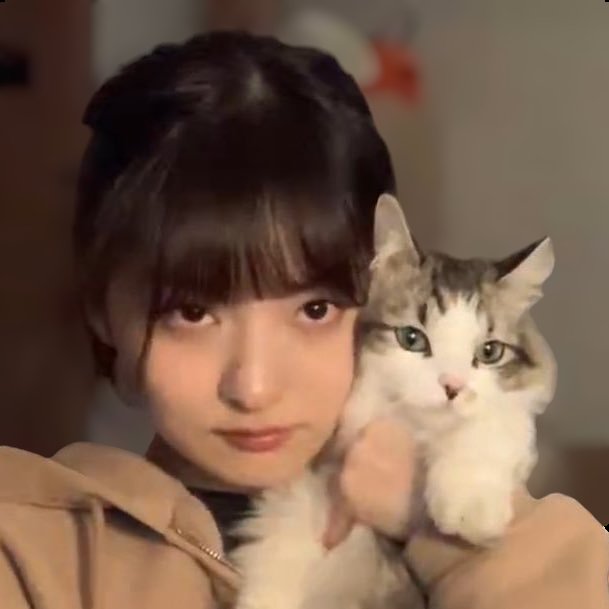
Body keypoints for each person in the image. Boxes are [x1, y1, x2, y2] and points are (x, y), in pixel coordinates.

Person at [0, 31, 606, 609]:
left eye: (315, 310)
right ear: (103, 314)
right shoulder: (30, 549)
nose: (254, 387)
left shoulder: (499, 530)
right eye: (193, 312)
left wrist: (443, 533)